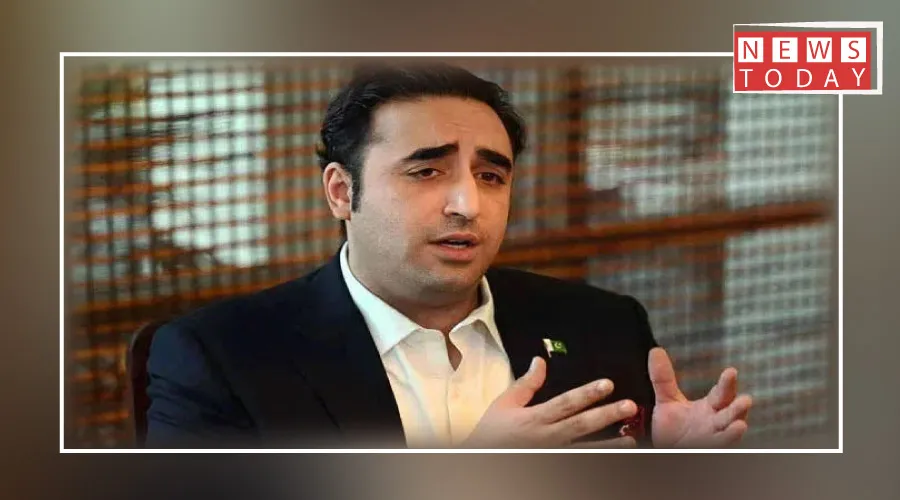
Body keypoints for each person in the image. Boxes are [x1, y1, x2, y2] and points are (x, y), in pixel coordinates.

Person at [145, 62, 753, 449]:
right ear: (341, 192)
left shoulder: (602, 323)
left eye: (491, 177)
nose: (467, 204)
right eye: (427, 171)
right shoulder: (221, 358)